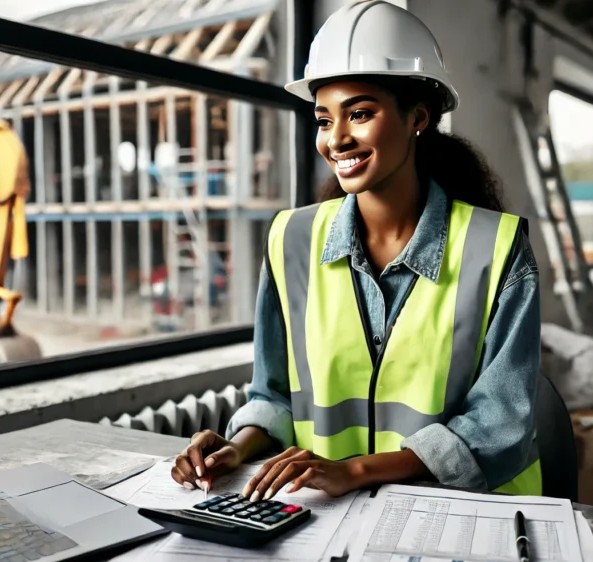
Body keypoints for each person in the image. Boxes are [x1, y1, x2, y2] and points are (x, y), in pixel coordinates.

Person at [171, 0, 542, 501]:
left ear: (418, 118)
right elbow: (274, 392)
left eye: (361, 113)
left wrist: (356, 470)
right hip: (325, 518)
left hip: (465, 522)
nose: (337, 139)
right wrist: (239, 445)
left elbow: (501, 426)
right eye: (325, 120)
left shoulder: (495, 249)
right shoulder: (291, 240)